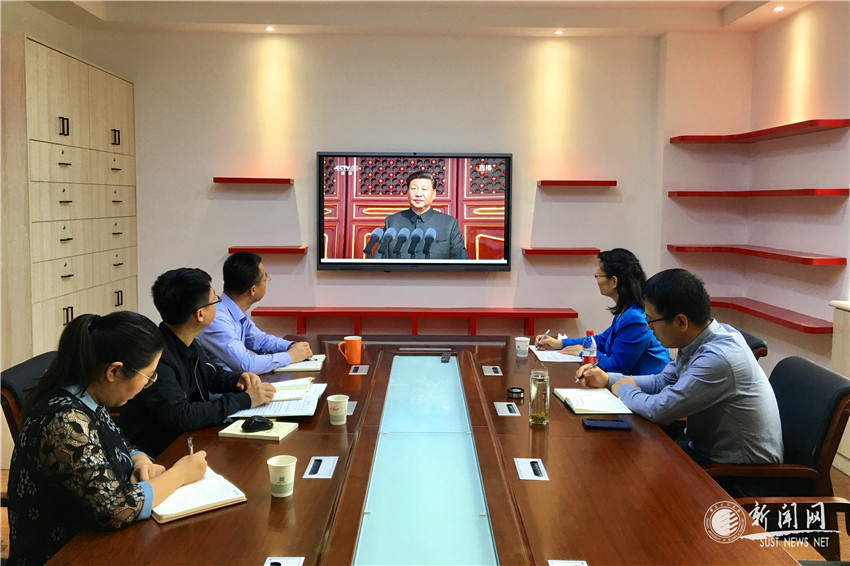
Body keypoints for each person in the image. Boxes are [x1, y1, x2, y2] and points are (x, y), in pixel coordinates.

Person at [8, 311, 208, 566]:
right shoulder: (65, 421)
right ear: (114, 371)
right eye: (148, 377)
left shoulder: (90, 394)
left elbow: (115, 439)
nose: (148, 384)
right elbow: (115, 509)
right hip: (64, 553)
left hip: (97, 542)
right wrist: (180, 474)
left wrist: (139, 460)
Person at [577, 268, 783, 467]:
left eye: (651, 320)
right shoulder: (700, 339)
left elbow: (660, 410)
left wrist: (623, 389)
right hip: (705, 453)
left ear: (681, 322)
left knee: (625, 464)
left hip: (738, 472)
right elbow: (662, 381)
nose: (648, 327)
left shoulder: (718, 358)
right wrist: (607, 379)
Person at [119, 268, 275, 457]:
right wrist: (246, 400)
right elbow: (180, 416)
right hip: (158, 456)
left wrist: (237, 379)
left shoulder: (186, 341)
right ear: (200, 314)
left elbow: (210, 373)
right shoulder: (156, 358)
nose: (218, 303)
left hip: (190, 442)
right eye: (215, 299)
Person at [535, 248, 669, 375]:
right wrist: (560, 343)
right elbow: (602, 341)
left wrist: (584, 352)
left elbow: (616, 368)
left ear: (614, 281)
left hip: (644, 388)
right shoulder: (626, 311)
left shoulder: (634, 318)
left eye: (598, 275)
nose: (597, 279)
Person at [196, 252, 312, 374]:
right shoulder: (217, 319)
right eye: (265, 279)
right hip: (224, 385)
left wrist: (291, 346)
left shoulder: (235, 312)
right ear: (253, 289)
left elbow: (260, 341)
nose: (266, 282)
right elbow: (246, 365)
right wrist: (290, 356)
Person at [379, 170, 468, 259]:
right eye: (414, 189)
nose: (418, 194)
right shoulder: (392, 222)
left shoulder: (449, 224)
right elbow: (380, 258)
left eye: (424, 189)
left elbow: (460, 259)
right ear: (407, 193)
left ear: (434, 194)